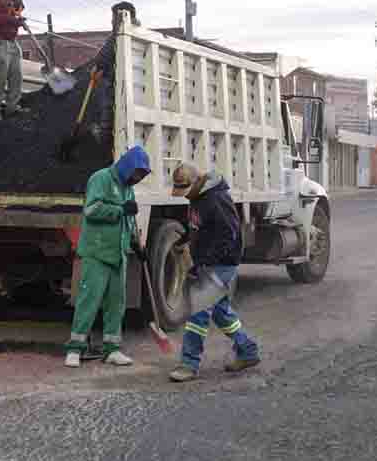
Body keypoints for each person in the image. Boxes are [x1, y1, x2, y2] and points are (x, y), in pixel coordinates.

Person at [168, 163, 260, 382]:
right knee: (220, 312)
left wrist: (205, 263)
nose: (184, 196)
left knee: (198, 309)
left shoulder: (216, 199)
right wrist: (184, 242)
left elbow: (229, 235)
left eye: (185, 191)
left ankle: (189, 364)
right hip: (210, 263)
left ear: (196, 183)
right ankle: (247, 350)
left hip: (221, 264)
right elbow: (200, 227)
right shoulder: (197, 198)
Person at [65, 145, 151, 368]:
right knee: (89, 300)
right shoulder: (100, 179)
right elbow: (91, 210)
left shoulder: (127, 187)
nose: (138, 179)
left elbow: (129, 219)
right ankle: (75, 349)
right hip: (97, 252)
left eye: (141, 176)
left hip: (118, 254)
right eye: (137, 174)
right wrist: (120, 209)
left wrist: (136, 243)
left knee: (117, 303)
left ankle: (112, 349)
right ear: (127, 166)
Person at [90, 2, 140, 143]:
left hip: (118, 83)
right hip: (137, 87)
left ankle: (104, 135)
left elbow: (105, 56)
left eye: (113, 17)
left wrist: (98, 67)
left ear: (120, 16)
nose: (111, 21)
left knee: (107, 97)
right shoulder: (140, 34)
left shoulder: (120, 33)